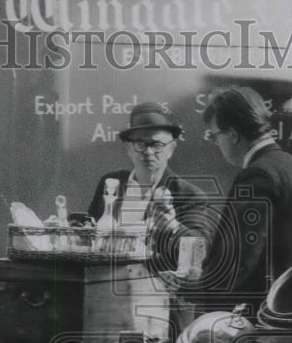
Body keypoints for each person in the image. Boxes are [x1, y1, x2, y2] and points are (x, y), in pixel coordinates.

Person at [195, 86, 292, 316]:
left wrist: (194, 289)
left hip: (262, 321)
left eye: (215, 136)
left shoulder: (257, 176)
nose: (217, 144)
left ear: (232, 134)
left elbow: (239, 262)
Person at [88, 102, 215, 275]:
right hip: (102, 286)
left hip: (157, 293)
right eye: (140, 144)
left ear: (171, 149)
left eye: (156, 145)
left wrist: (174, 227)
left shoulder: (189, 195)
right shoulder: (110, 183)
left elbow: (202, 253)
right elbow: (92, 238)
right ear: (129, 149)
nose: (148, 152)